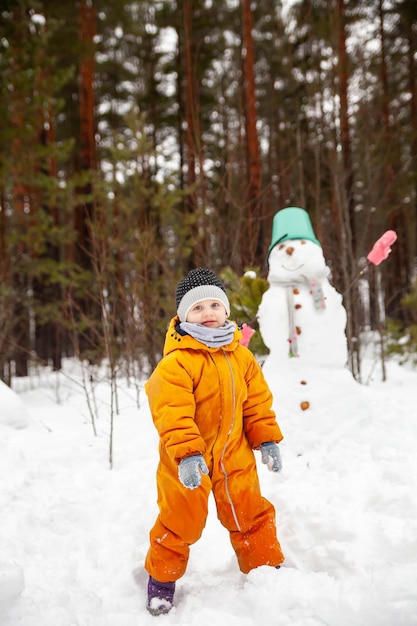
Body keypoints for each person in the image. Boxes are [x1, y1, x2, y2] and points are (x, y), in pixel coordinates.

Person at [144, 268, 284, 615]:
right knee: (180, 519)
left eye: (213, 305)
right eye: (197, 308)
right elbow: (171, 412)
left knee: (250, 510)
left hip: (233, 454)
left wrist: (266, 439)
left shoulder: (242, 357)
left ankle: (265, 569)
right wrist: (188, 453)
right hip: (187, 458)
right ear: (182, 316)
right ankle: (161, 580)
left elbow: (256, 403)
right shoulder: (176, 363)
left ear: (226, 311)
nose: (207, 313)